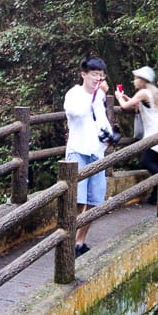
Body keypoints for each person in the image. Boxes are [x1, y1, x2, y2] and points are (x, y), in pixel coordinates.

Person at [64, 56, 114, 256]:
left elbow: (101, 119)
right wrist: (96, 96)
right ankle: (67, 243)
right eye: (95, 75)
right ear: (83, 74)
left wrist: (110, 135)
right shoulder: (74, 94)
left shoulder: (99, 96)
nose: (98, 80)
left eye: (101, 77)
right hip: (78, 151)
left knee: (94, 201)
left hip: (96, 152)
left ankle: (79, 242)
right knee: (76, 201)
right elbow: (77, 113)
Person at [114, 65, 158, 204]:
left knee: (147, 162)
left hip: (153, 132)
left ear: (142, 80)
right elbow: (138, 105)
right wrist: (126, 97)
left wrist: (119, 97)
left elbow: (125, 106)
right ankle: (155, 197)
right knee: (153, 162)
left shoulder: (143, 92)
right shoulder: (153, 91)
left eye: (136, 78)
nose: (134, 81)